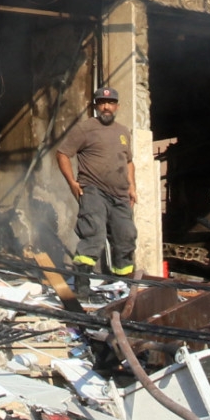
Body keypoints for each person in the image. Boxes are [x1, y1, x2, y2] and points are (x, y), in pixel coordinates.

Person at [55, 87, 138, 279]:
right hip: (93, 191)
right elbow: (62, 154)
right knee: (93, 235)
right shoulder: (85, 129)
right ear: (95, 106)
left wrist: (132, 187)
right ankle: (82, 287)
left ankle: (122, 285)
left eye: (110, 103)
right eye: (102, 103)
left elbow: (128, 162)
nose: (106, 107)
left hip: (120, 195)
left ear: (117, 106)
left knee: (126, 237)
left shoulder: (123, 131)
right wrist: (72, 183)